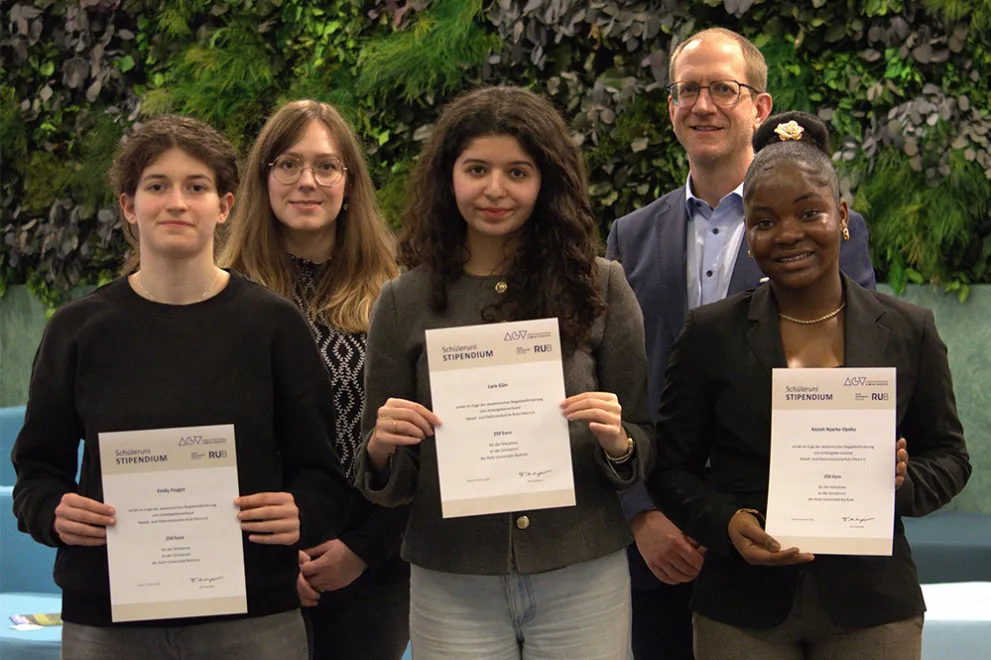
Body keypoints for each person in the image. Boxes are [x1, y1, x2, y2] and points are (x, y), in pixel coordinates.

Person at [11, 115, 352, 660]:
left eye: (196, 187)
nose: (176, 202)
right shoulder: (78, 330)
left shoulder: (274, 325)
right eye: (156, 186)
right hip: (109, 625)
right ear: (128, 206)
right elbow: (36, 474)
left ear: (223, 206)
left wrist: (301, 512)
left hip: (253, 620)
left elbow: (322, 474)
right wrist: (53, 511)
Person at [647, 111, 971, 659]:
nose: (788, 234)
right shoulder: (710, 334)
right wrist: (727, 524)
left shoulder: (907, 329)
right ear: (748, 235)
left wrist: (901, 480)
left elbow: (950, 458)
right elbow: (670, 466)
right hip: (742, 608)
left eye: (809, 213)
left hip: (872, 606)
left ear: (841, 216)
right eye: (765, 221)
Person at [354, 85, 653, 660]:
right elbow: (384, 477)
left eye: (518, 171)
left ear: (547, 183)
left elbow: (643, 441)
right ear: (449, 177)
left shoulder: (601, 287)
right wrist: (382, 449)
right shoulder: (402, 301)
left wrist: (618, 442)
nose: (495, 189)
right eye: (476, 169)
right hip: (452, 576)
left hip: (581, 568)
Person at [605, 28, 876, 659]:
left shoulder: (831, 231)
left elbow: (842, 377)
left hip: (778, 537)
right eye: (686, 90)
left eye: (723, 89)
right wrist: (642, 512)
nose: (702, 105)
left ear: (759, 108)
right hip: (659, 545)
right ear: (670, 106)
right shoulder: (629, 236)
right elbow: (614, 385)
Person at [220, 99, 409, 660]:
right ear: (262, 179)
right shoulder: (218, 297)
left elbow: (419, 441)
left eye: (326, 166)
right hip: (246, 567)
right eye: (288, 164)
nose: (308, 181)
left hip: (369, 569)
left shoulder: (396, 297)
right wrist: (270, 562)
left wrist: (361, 548)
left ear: (349, 184)